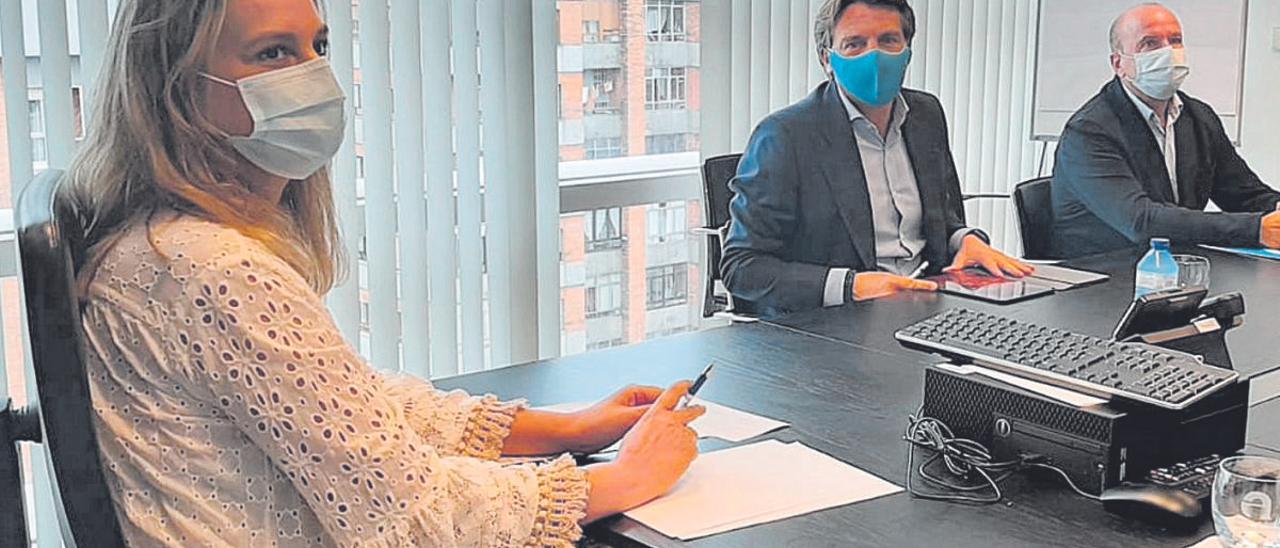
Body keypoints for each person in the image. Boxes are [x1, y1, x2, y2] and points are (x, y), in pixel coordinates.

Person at [66, 0, 702, 546]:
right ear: (177, 90)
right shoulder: (213, 270)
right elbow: (410, 520)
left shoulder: (159, 244)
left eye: (317, 46)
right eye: (272, 54)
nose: (313, 76)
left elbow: (345, 410)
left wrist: (569, 429)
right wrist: (622, 478)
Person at [720, 0, 1031, 319]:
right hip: (835, 326)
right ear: (828, 59)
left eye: (888, 41)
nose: (875, 56)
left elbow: (940, 219)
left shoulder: (926, 115)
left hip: (928, 308)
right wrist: (850, 286)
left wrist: (963, 240)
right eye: (854, 44)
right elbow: (742, 267)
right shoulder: (785, 136)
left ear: (907, 50)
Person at [1050, 2, 1280, 259]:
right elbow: (1141, 220)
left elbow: (1244, 194)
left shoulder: (1198, 116)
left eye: (1175, 40)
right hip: (1105, 279)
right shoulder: (1088, 132)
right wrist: (1256, 229)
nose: (1168, 52)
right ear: (1119, 64)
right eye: (1150, 43)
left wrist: (1276, 213)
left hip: (1179, 270)